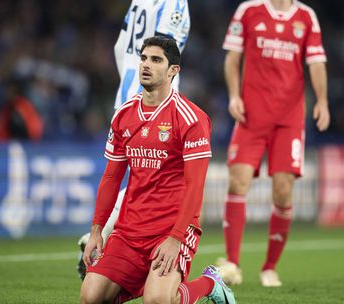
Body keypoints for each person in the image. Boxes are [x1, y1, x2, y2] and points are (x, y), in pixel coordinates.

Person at [80, 36, 235, 304]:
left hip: (172, 228)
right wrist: (96, 231)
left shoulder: (191, 118)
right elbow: (111, 177)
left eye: (156, 60)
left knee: (158, 301)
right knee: (90, 298)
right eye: (143, 58)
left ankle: (210, 283)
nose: (146, 65)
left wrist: (176, 238)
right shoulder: (123, 115)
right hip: (129, 231)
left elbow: (195, 185)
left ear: (174, 70)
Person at [217, 0, 330, 287]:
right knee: (237, 180)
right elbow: (232, 58)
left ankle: (270, 267)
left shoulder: (306, 16)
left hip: (289, 120)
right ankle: (232, 263)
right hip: (251, 116)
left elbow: (316, 63)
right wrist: (233, 96)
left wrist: (323, 100)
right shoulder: (248, 10)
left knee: (283, 192)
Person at [77, 0, 190, 278]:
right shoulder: (174, 2)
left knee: (133, 172)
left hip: (127, 94)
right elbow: (165, 47)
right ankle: (112, 235)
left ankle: (104, 235)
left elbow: (120, 48)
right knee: (153, 174)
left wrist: (129, 81)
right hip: (155, 101)